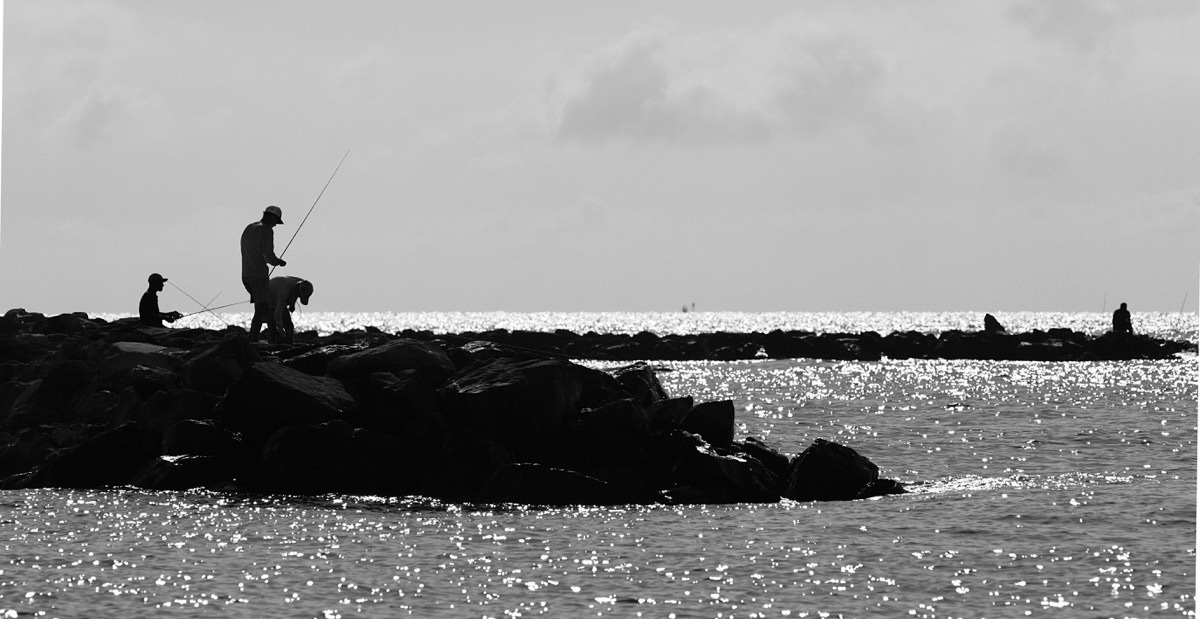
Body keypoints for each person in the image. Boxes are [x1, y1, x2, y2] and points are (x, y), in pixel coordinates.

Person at [240, 205, 287, 341]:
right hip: (258, 276)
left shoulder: (249, 227)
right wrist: (278, 262)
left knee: (264, 308)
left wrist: (269, 260)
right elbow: (269, 255)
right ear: (271, 217)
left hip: (246, 276)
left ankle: (269, 338)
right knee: (262, 310)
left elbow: (257, 253)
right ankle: (254, 340)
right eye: (276, 222)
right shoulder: (266, 231)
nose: (275, 225)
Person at [266, 275, 314, 344]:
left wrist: (292, 305)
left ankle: (289, 343)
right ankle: (271, 345)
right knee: (272, 325)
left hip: (280, 291)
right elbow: (277, 312)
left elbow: (295, 292)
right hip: (270, 297)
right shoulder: (284, 292)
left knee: (289, 326)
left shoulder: (302, 284)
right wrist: (280, 329)